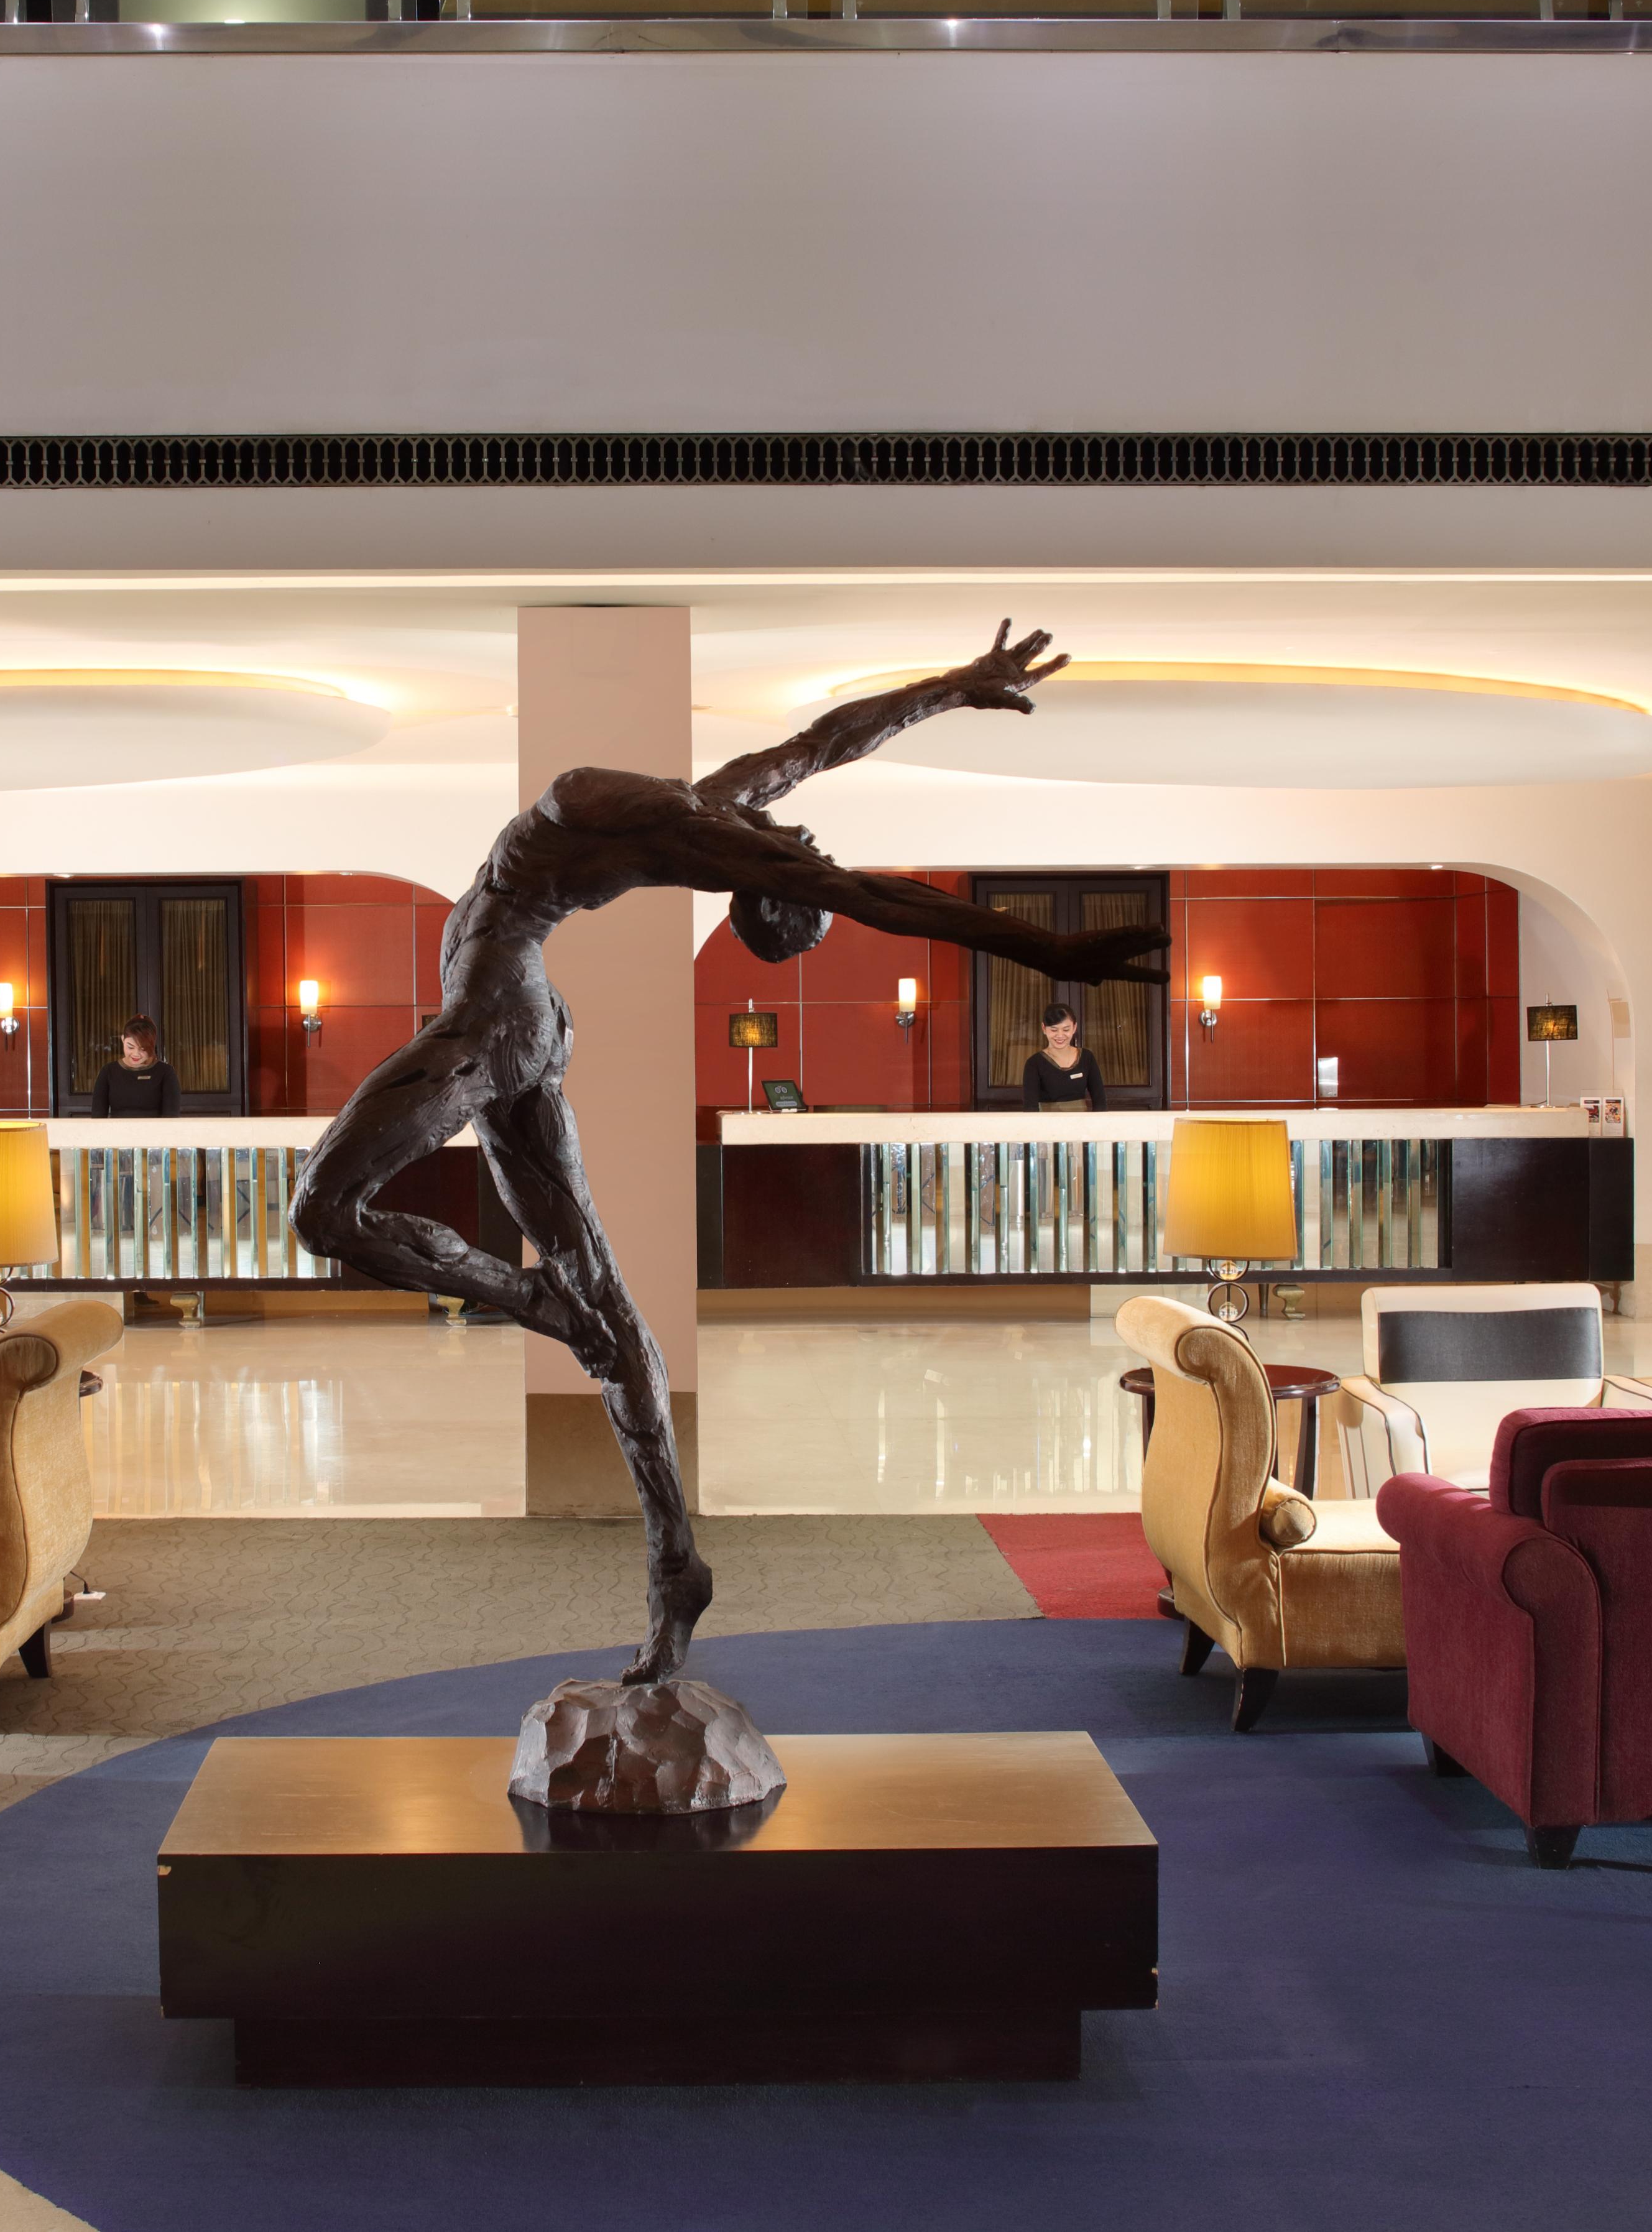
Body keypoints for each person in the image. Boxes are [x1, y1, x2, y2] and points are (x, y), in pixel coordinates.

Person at [290, 623, 1164, 1686]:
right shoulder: (705, 811)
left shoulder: (702, 827)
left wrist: (1053, 947)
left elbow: (870, 878)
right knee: (604, 1313)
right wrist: (955, 686)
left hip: (498, 1018)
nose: (804, 845)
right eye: (797, 860)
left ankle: (535, 1306)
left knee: (325, 1212)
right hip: (518, 1014)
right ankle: (676, 1565)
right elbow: (828, 743)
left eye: (793, 864)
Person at [1022, 1002, 1104, 1109]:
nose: (1060, 1035)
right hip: (1047, 1120)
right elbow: (1030, 1107)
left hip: (1081, 1119)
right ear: (1044, 1028)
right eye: (1054, 1030)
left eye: (1066, 1030)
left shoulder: (1087, 1057)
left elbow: (1100, 1101)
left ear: (1074, 1027)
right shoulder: (1034, 1063)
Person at [90, 1016, 177, 1116]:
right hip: (118, 1127)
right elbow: (98, 1116)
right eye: (130, 1047)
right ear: (123, 1039)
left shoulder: (165, 1072)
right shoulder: (108, 1072)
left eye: (143, 1049)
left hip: (155, 1127)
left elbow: (172, 1117)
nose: (136, 1054)